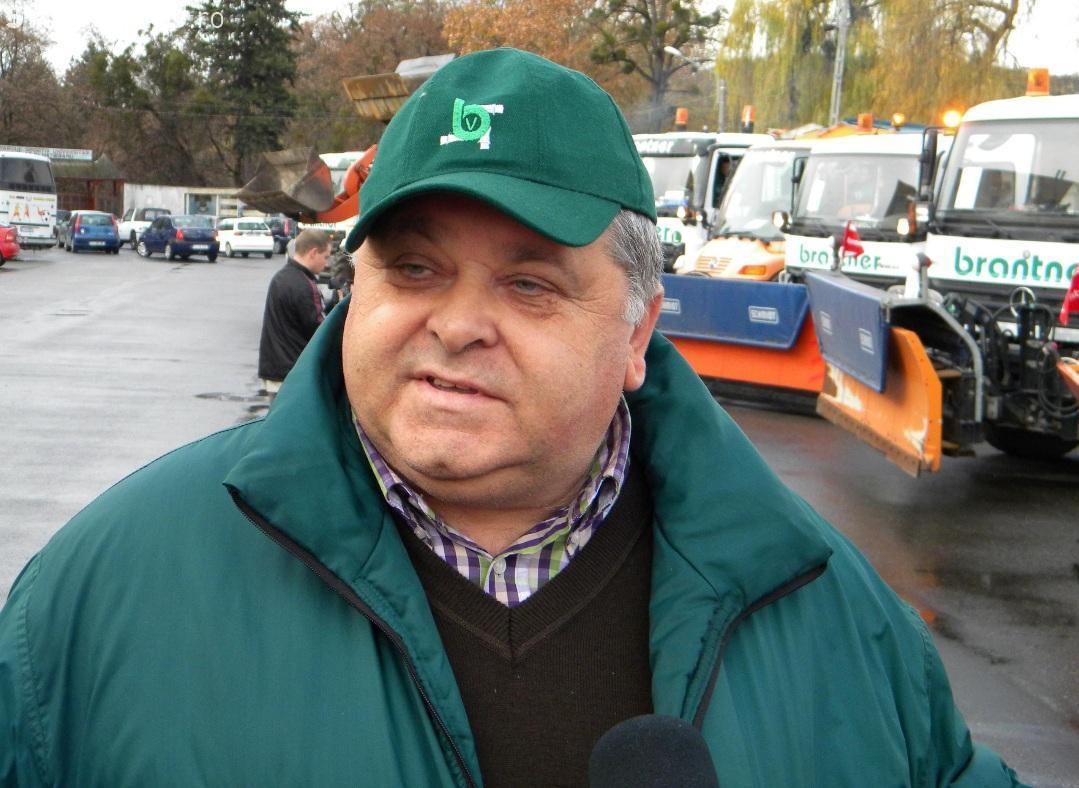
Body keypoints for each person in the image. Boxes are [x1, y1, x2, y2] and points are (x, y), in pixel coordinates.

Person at [0, 49, 1023, 787]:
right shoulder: (101, 596)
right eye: (413, 268)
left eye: (529, 284)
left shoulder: (832, 618)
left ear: (637, 332)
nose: (455, 325)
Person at [256, 228, 331, 397]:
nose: (326, 263)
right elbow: (320, 331)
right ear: (313, 253)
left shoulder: (280, 277)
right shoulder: (305, 285)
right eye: (325, 256)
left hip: (274, 368)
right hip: (294, 373)